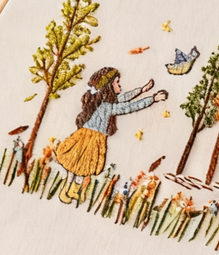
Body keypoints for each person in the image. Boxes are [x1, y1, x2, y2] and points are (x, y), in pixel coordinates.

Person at [55, 66, 167, 203]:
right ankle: (66, 190)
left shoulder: (103, 100)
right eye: (116, 82)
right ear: (108, 86)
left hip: (89, 136)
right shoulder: (106, 106)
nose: (119, 85)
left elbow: (122, 97)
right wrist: (152, 99)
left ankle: (71, 190)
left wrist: (142, 90)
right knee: (80, 165)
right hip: (91, 139)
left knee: (80, 166)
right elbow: (128, 106)